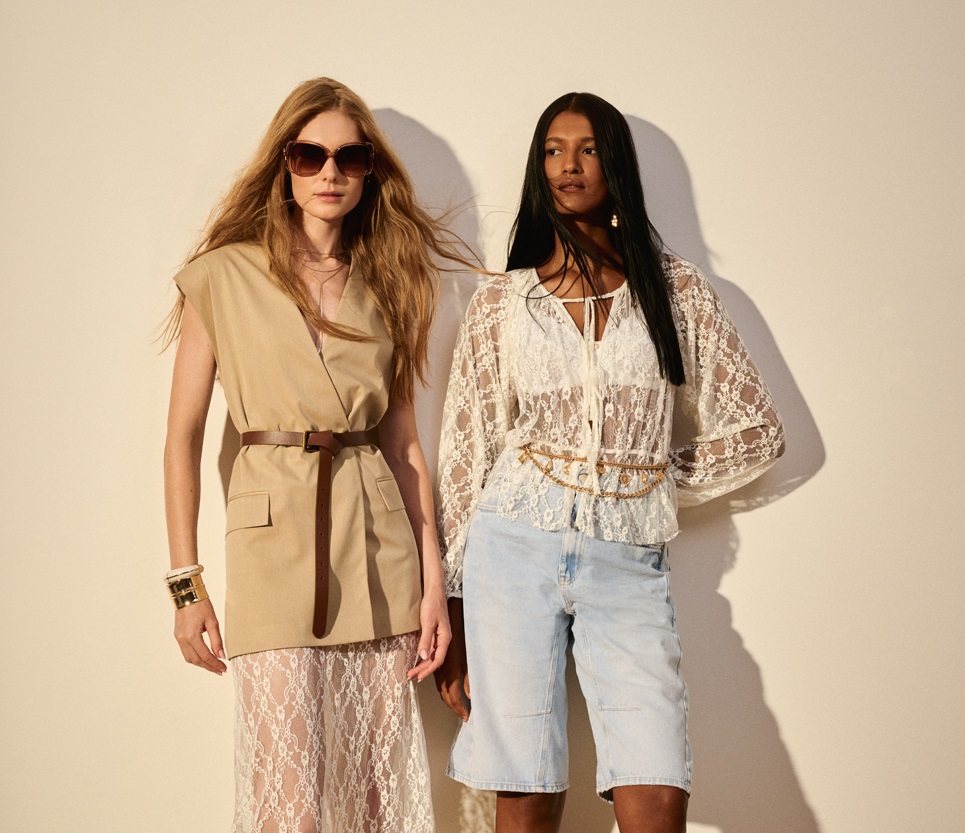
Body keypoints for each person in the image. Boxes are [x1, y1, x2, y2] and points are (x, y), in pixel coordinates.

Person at [434, 92, 786, 833]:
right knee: (526, 787)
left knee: (655, 788)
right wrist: (455, 610)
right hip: (511, 547)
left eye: (588, 148)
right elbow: (466, 456)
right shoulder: (504, 303)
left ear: (615, 163)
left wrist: (646, 479)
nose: (569, 165)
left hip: (627, 557)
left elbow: (757, 429)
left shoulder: (676, 291)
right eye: (553, 150)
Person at [162, 77, 456, 833]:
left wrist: (435, 584)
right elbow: (182, 437)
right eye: (310, 155)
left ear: (369, 172)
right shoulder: (222, 276)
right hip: (270, 544)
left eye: (350, 158)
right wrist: (186, 586)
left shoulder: (393, 281)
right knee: (288, 804)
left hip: (377, 545)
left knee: (374, 803)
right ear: (284, 164)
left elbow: (403, 445)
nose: (330, 173)